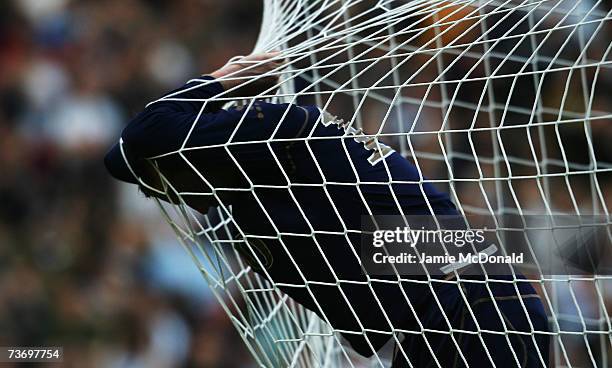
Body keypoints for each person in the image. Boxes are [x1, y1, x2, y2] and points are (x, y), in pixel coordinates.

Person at [105, 52, 549, 367]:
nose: (166, 194)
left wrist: (224, 79)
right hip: (440, 320)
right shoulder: (255, 207)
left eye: (162, 178)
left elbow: (144, 134)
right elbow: (367, 331)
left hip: (476, 302)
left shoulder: (284, 129)